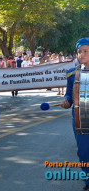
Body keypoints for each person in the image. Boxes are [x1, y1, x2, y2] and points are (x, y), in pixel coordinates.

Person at [61, 38, 89, 191]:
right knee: (83, 151)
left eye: (86, 51)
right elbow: (69, 96)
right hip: (80, 117)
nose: (82, 54)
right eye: (80, 51)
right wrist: (66, 101)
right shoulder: (73, 74)